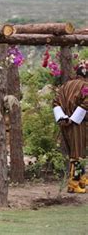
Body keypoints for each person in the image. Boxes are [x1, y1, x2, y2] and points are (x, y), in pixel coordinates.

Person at [53, 60, 87, 194]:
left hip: (64, 122)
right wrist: (74, 118)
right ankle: (74, 183)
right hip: (78, 123)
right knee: (77, 153)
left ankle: (81, 178)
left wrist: (63, 117)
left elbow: (55, 102)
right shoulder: (85, 85)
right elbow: (86, 103)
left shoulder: (65, 85)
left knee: (75, 151)